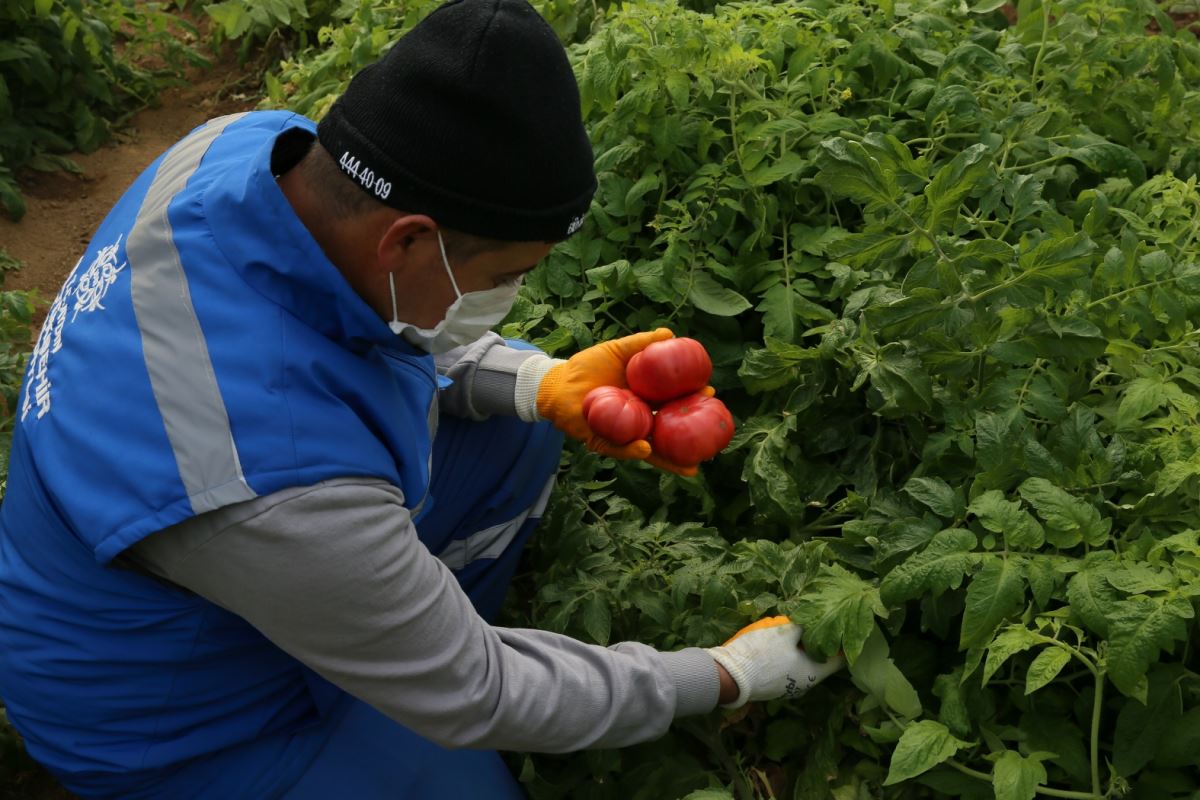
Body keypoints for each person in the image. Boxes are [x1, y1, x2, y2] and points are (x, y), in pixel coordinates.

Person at [0, 0, 841, 797]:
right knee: (463, 737)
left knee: (519, 431)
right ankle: (389, 666)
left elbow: (323, 336)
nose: (509, 295)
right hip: (172, 716)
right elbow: (481, 691)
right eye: (503, 276)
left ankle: (388, 645)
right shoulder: (270, 480)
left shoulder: (244, 150)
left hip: (245, 560)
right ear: (407, 241)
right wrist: (725, 675)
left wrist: (537, 382)